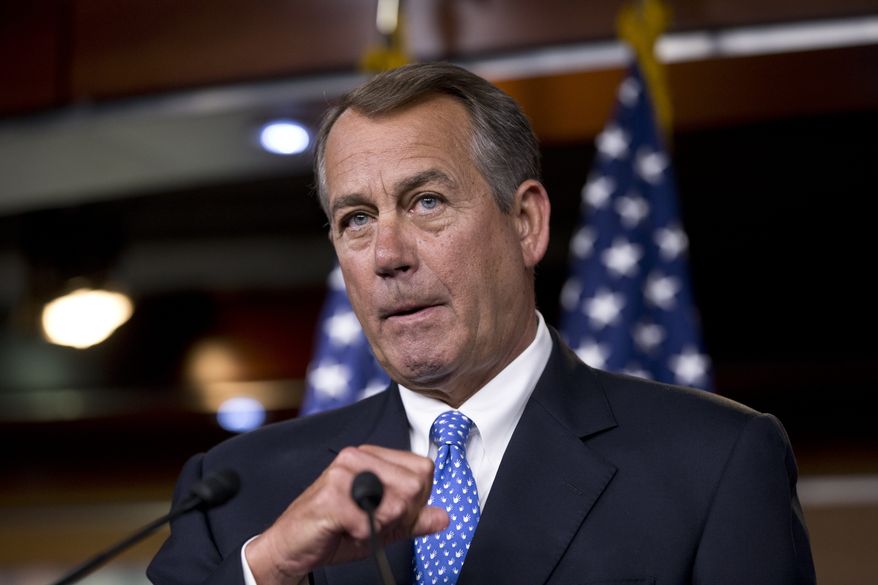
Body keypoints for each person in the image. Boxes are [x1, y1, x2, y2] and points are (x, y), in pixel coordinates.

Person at [147, 62, 816, 585]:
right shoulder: (237, 491)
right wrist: (267, 569)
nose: (387, 255)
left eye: (427, 201)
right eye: (357, 219)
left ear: (526, 222)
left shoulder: (715, 461)